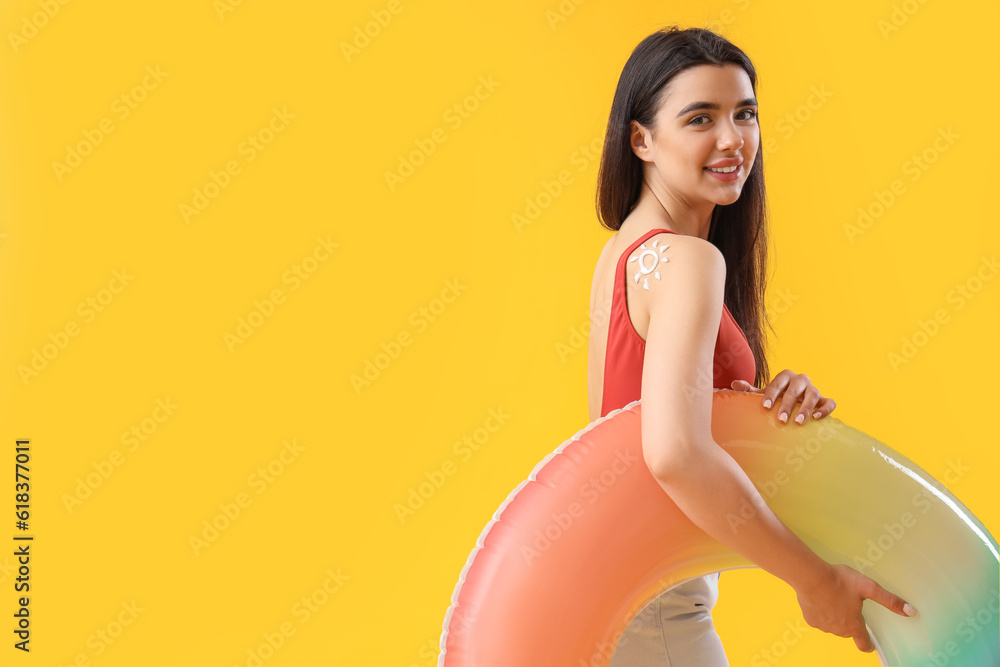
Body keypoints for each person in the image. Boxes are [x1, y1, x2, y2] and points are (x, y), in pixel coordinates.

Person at [586, 26, 917, 665]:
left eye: (745, 113)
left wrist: (757, 408)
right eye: (699, 118)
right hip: (657, 604)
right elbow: (674, 454)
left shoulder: (627, 249)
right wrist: (816, 583)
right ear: (642, 140)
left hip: (628, 586)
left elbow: (645, 413)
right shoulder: (687, 260)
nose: (732, 138)